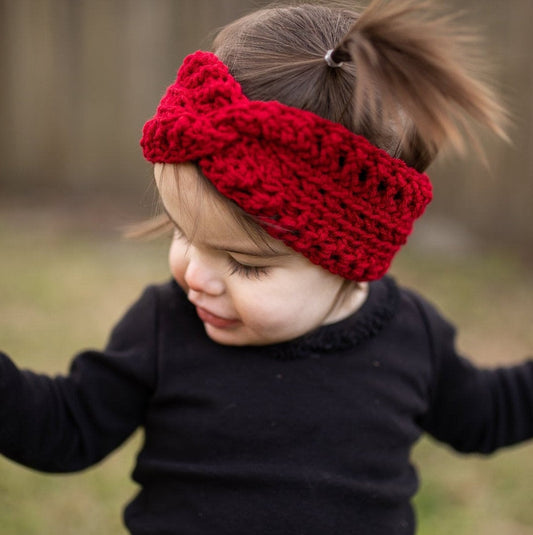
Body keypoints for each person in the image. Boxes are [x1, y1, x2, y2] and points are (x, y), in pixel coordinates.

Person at [1, 1, 531, 534]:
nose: (194, 276)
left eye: (245, 264)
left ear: (351, 258)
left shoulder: (411, 336)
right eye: (183, 232)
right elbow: (65, 429)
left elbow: (485, 415)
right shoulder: (164, 326)